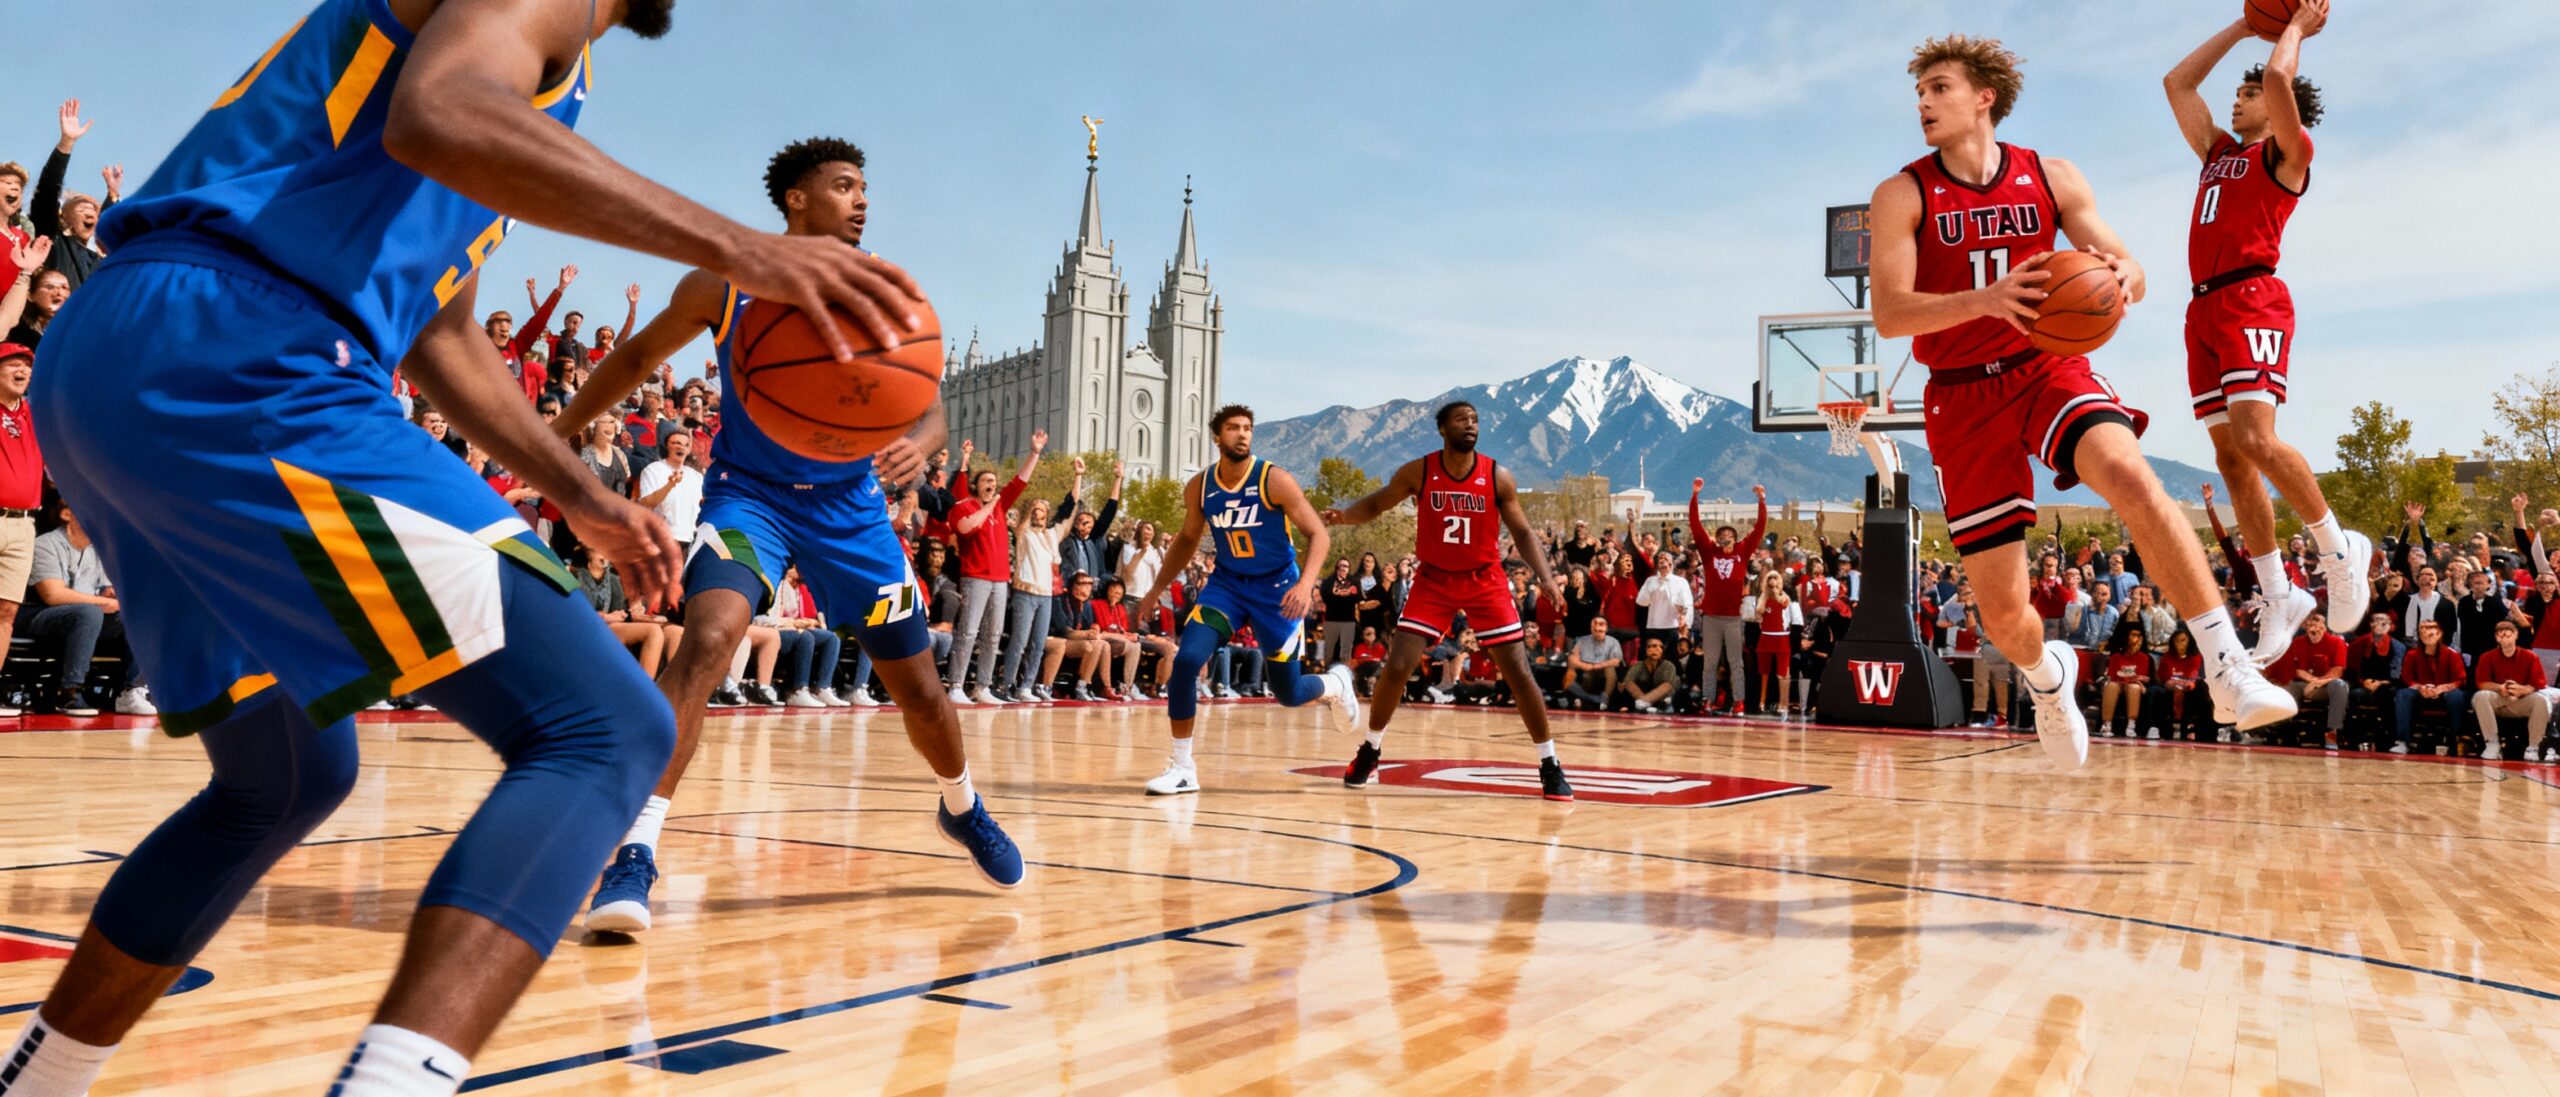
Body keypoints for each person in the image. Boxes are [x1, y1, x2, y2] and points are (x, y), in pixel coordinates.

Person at [2, 1, 963, 1090]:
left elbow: (438, 324)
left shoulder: (525, 63)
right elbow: (443, 112)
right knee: (605, 727)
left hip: (121, 360)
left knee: (279, 781)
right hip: (249, 348)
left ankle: (35, 1081)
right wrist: (745, 249)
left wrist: (580, 487)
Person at [554, 135, 1024, 941]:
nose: (863, 200)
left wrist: (927, 441)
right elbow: (635, 354)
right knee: (707, 642)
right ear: (797, 200)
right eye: (846, 186)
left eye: (867, 188)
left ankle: (961, 803)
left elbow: (928, 400)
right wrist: (556, 435)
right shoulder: (727, 282)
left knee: (922, 694)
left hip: (851, 509)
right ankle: (634, 852)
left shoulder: (884, 289)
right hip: (752, 499)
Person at [1867, 34, 2294, 772]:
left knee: (2133, 479)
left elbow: (2131, 267)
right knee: (2005, 617)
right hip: (1963, 398)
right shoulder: (1903, 193)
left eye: (1939, 88)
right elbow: (1892, 312)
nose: (1924, 104)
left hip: (2046, 368)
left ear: (1983, 98)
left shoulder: (2051, 176)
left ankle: (2228, 668)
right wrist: (1987, 300)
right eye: (1920, 94)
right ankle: (2047, 676)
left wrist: (2121, 277)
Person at [2164, 0, 2371, 664]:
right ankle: (2280, 592)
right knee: (2231, 459)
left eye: (2247, 92)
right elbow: (2178, 84)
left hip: (2253, 296)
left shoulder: (2289, 155)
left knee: (2257, 438)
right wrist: (2241, 27)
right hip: (2203, 309)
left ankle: (2339, 549)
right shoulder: (2217, 152)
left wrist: (2292, 30)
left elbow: (2283, 84)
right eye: (2239, 91)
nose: (2237, 99)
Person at [1319, 402, 1574, 801]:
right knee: (1399, 664)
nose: (1470, 425)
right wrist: (1346, 516)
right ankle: (1371, 750)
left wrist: (1545, 578)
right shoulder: (1419, 471)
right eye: (1461, 419)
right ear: (1442, 429)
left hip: (1484, 579)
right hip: (1434, 579)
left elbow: (1523, 532)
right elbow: (1378, 502)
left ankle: (1549, 763)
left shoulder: (1496, 475)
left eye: (1475, 419)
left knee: (1518, 671)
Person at [1132, 405, 1359, 795]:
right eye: (1234, 428)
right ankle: (1183, 767)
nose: (1243, 434)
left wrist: (1305, 585)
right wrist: (1155, 590)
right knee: (1186, 660)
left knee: (1288, 694)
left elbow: (1318, 535)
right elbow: (1187, 540)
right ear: (1217, 437)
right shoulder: (1201, 487)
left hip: (1277, 590)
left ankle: (1335, 683)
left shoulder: (1275, 480)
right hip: (1229, 586)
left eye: (1248, 428)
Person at [1690, 481, 1768, 715]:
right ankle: (1707, 700)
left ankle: (1738, 702)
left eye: (1729, 535)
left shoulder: (1743, 551)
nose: (1725, 538)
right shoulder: (1708, 551)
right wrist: (1695, 495)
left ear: (1735, 539)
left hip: (1733, 618)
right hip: (1712, 616)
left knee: (1736, 663)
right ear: (1716, 538)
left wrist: (1762, 500)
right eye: (1721, 535)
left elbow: (1760, 527)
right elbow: (1695, 524)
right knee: (1710, 663)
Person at [2472, 619, 2550, 762]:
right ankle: (2492, 744)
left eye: (2508, 635)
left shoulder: (2530, 656)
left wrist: (2523, 690)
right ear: (2496, 638)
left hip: (2520, 702)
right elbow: (2481, 683)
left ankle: (2534, 746)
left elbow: (2538, 683)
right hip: (2499, 701)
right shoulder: (2486, 657)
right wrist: (2498, 688)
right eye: (2501, 636)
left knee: (2540, 699)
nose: (2504, 639)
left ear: (2516, 635)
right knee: (2480, 696)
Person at [2393, 619, 2466, 755]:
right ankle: (2402, 741)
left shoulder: (2452, 654)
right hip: (2421, 694)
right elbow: (2407, 678)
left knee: (2457, 696)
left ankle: (2456, 740)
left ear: (2439, 634)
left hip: (2444, 694)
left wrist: (2441, 688)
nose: (2427, 637)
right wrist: (2421, 688)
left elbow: (2459, 680)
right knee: (2403, 694)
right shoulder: (2412, 654)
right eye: (2423, 634)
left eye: (2431, 634)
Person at [1747, 569, 1799, 717]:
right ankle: (1761, 703)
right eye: (1770, 581)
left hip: (1782, 637)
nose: (1773, 584)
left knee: (1782, 673)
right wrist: (1764, 598)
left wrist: (1776, 594)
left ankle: (1783, 704)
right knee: (1764, 672)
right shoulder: (1762, 599)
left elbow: (1785, 609)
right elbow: (1758, 617)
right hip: (1766, 637)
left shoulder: (1785, 598)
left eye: (1776, 580)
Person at [2097, 624, 2155, 739]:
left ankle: (2131, 726)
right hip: (2118, 685)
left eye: (2139, 635)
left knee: (2134, 687)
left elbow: (2141, 677)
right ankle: (2107, 725)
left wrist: (2130, 680)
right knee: (2111, 685)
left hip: (2135, 686)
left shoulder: (2144, 657)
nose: (2137, 638)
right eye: (2133, 635)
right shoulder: (2116, 657)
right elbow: (2112, 677)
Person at [1562, 615, 1622, 712]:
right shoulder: (1582, 641)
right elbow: (1572, 659)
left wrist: (1596, 665)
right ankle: (1589, 700)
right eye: (1595, 626)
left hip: (1604, 671)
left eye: (1601, 626)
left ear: (1607, 628)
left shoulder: (1613, 642)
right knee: (1581, 675)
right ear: (1591, 628)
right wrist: (1586, 666)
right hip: (1588, 671)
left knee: (1610, 670)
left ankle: (1604, 699)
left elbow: (1616, 661)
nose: (1597, 629)